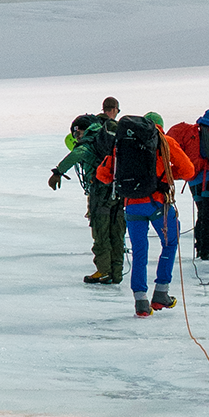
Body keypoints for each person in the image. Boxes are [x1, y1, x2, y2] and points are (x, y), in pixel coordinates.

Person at [99, 111, 193, 315]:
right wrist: (167, 176)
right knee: (170, 243)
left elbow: (103, 174)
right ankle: (161, 293)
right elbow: (189, 170)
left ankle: (141, 302)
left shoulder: (123, 144)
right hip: (157, 203)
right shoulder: (165, 141)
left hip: (131, 205)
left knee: (139, 251)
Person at [49, 96, 126, 284]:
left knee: (101, 232)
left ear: (81, 130)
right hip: (119, 190)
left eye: (76, 133)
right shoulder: (109, 138)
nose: (76, 138)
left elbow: (77, 154)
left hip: (100, 192)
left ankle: (103, 271)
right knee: (116, 232)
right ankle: (116, 271)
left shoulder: (90, 140)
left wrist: (58, 172)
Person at [170, 106, 209, 257]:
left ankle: (200, 247)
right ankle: (206, 250)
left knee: (202, 214)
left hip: (194, 181)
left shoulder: (193, 134)